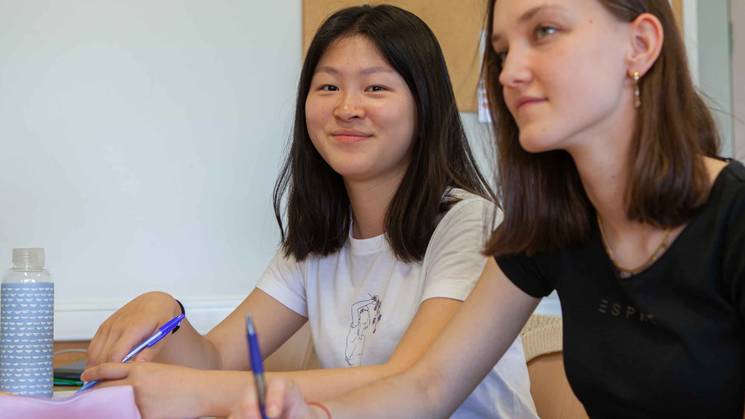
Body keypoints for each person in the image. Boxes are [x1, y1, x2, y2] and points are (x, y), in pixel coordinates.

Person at [228, 0, 745, 418]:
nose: (511, 72)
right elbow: (429, 385)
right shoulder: (551, 222)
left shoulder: (733, 217)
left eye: (543, 31)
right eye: (500, 51)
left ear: (641, 44)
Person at [81, 5, 538, 419]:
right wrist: (166, 313)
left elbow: (413, 379)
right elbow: (218, 358)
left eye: (375, 87)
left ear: (426, 106)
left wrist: (201, 392)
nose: (347, 108)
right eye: (328, 86)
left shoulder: (470, 223)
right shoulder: (319, 237)